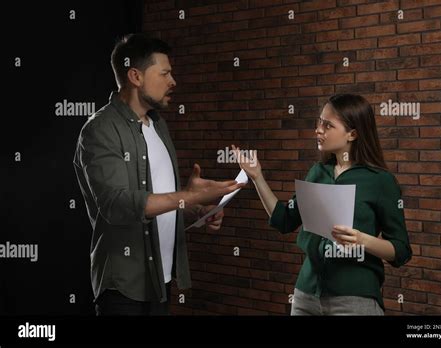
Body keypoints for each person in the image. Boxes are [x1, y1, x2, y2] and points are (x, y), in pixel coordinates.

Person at [73, 33, 244, 315]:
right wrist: (186, 196)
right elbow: (116, 205)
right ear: (135, 76)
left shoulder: (158, 125)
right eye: (164, 73)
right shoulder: (100, 130)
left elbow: (162, 204)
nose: (173, 81)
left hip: (160, 280)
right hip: (123, 288)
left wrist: (197, 209)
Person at [233, 94, 412, 315]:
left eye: (327, 125)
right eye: (319, 122)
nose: (318, 130)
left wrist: (362, 239)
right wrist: (257, 177)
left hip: (354, 298)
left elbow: (401, 250)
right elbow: (284, 220)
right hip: (306, 295)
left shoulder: (380, 181)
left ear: (352, 134)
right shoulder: (318, 172)